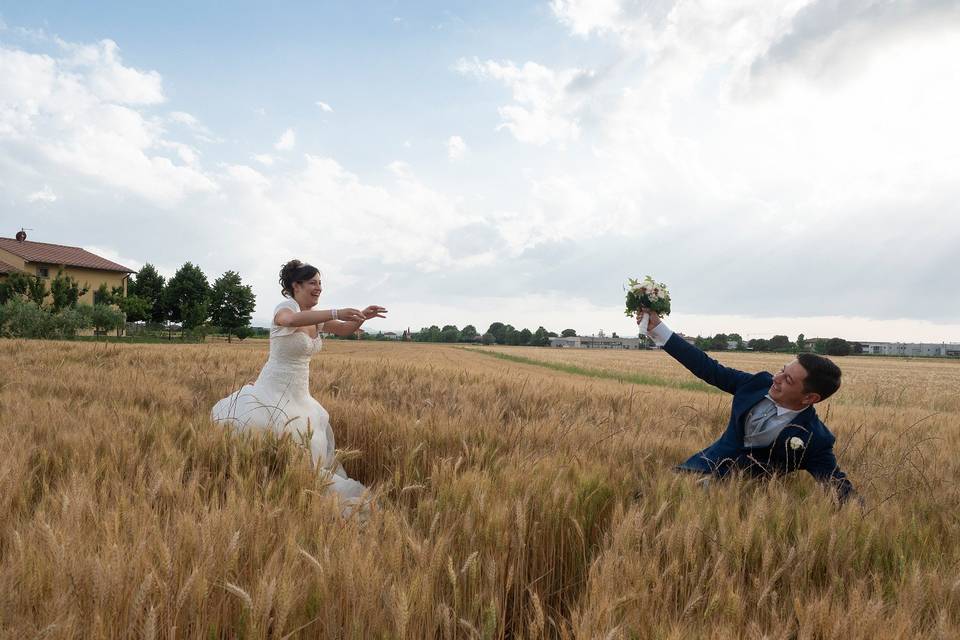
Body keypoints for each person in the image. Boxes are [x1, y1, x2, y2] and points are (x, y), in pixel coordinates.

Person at [211, 259, 387, 512]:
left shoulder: (315, 319)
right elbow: (288, 320)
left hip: (300, 394)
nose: (318, 288)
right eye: (313, 283)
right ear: (297, 285)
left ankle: (299, 490)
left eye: (320, 283)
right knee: (276, 438)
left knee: (308, 444)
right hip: (274, 389)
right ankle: (264, 489)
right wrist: (336, 311)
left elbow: (345, 330)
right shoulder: (286, 307)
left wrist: (362, 318)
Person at [638, 308, 857, 503]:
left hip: (740, 501)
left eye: (788, 380)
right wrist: (659, 329)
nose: (776, 378)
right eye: (782, 370)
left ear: (810, 398)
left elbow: (837, 486)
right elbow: (708, 368)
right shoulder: (756, 384)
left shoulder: (814, 439)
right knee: (643, 499)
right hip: (698, 470)